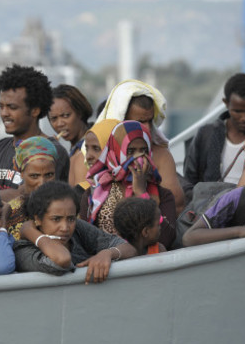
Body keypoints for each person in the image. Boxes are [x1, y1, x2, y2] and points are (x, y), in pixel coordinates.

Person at [13, 181, 136, 283]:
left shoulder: (77, 228)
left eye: (71, 219)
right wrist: (29, 231)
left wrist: (108, 253)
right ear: (38, 219)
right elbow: (62, 259)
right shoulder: (24, 250)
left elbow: (129, 248)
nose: (65, 227)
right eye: (56, 219)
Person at [85, 120, 177, 249]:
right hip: (104, 264)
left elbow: (166, 238)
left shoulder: (163, 195)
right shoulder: (96, 192)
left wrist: (142, 193)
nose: (138, 157)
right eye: (130, 151)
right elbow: (84, 237)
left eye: (144, 150)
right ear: (116, 151)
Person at [96, 79, 185, 213]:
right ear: (121, 120)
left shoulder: (160, 155)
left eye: (150, 121)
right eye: (140, 122)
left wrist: (142, 192)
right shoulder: (96, 153)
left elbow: (176, 205)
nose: (147, 128)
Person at [0, 64, 70, 194]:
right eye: (1, 106)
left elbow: (39, 201)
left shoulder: (50, 152)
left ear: (35, 111)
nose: (4, 113)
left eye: (12, 107)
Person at [184, 73, 245, 186]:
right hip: (210, 203)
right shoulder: (205, 135)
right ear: (226, 103)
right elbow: (189, 181)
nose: (244, 118)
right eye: (237, 111)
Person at [3, 136, 57, 241]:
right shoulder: (10, 213)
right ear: (22, 174)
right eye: (34, 176)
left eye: (49, 175)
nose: (42, 183)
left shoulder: (66, 206)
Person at [48, 84, 93, 186]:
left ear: (80, 112)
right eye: (54, 119)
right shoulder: (73, 150)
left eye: (66, 115)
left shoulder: (86, 151)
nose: (60, 123)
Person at [73, 119, 119, 198]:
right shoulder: (83, 192)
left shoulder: (134, 188)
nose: (88, 157)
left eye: (96, 149)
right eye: (87, 149)